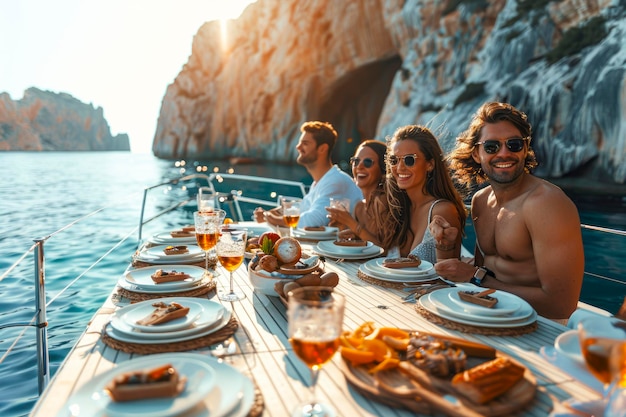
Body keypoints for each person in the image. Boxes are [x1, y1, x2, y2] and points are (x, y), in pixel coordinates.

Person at [431, 102, 584, 320]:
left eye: (513, 144)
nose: (504, 153)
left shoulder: (547, 204)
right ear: (476, 153)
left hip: (538, 324)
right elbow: (481, 269)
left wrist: (476, 277)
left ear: (525, 148)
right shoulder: (480, 202)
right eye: (492, 146)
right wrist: (445, 245)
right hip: (488, 313)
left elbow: (560, 305)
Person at [377, 125, 467, 264]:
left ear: (430, 164)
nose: (399, 167)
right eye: (394, 160)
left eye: (409, 160)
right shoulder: (399, 207)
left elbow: (449, 274)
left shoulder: (441, 211)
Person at [253, 121, 363, 228]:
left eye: (305, 143)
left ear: (322, 149)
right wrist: (271, 213)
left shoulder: (336, 181)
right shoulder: (319, 182)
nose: (298, 147)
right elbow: (303, 208)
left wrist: (271, 219)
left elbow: (315, 220)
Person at [325, 139, 387, 245]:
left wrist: (351, 223)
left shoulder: (384, 202)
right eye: (356, 161)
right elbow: (365, 241)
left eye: (367, 162)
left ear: (383, 169)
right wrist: (343, 229)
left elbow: (384, 250)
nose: (359, 166)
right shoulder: (360, 207)